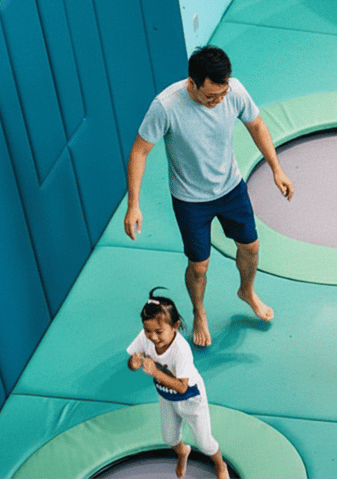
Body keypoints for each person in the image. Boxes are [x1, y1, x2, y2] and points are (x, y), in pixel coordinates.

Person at [124, 45, 294, 347]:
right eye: (210, 96)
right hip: (190, 199)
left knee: (251, 247)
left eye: (221, 94)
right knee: (199, 265)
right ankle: (199, 311)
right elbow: (140, 150)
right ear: (192, 83)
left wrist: (276, 169)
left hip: (230, 187)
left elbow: (256, 124)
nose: (217, 101)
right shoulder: (166, 106)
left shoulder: (235, 91)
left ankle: (247, 291)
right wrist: (134, 204)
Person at [127, 288, 229, 479]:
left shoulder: (181, 350)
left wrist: (156, 371)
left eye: (159, 331)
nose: (153, 337)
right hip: (166, 397)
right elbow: (132, 363)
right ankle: (183, 452)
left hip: (190, 397)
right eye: (148, 331)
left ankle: (220, 464)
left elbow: (182, 386)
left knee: (205, 443)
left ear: (175, 325)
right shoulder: (145, 337)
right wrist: (133, 364)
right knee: (169, 438)